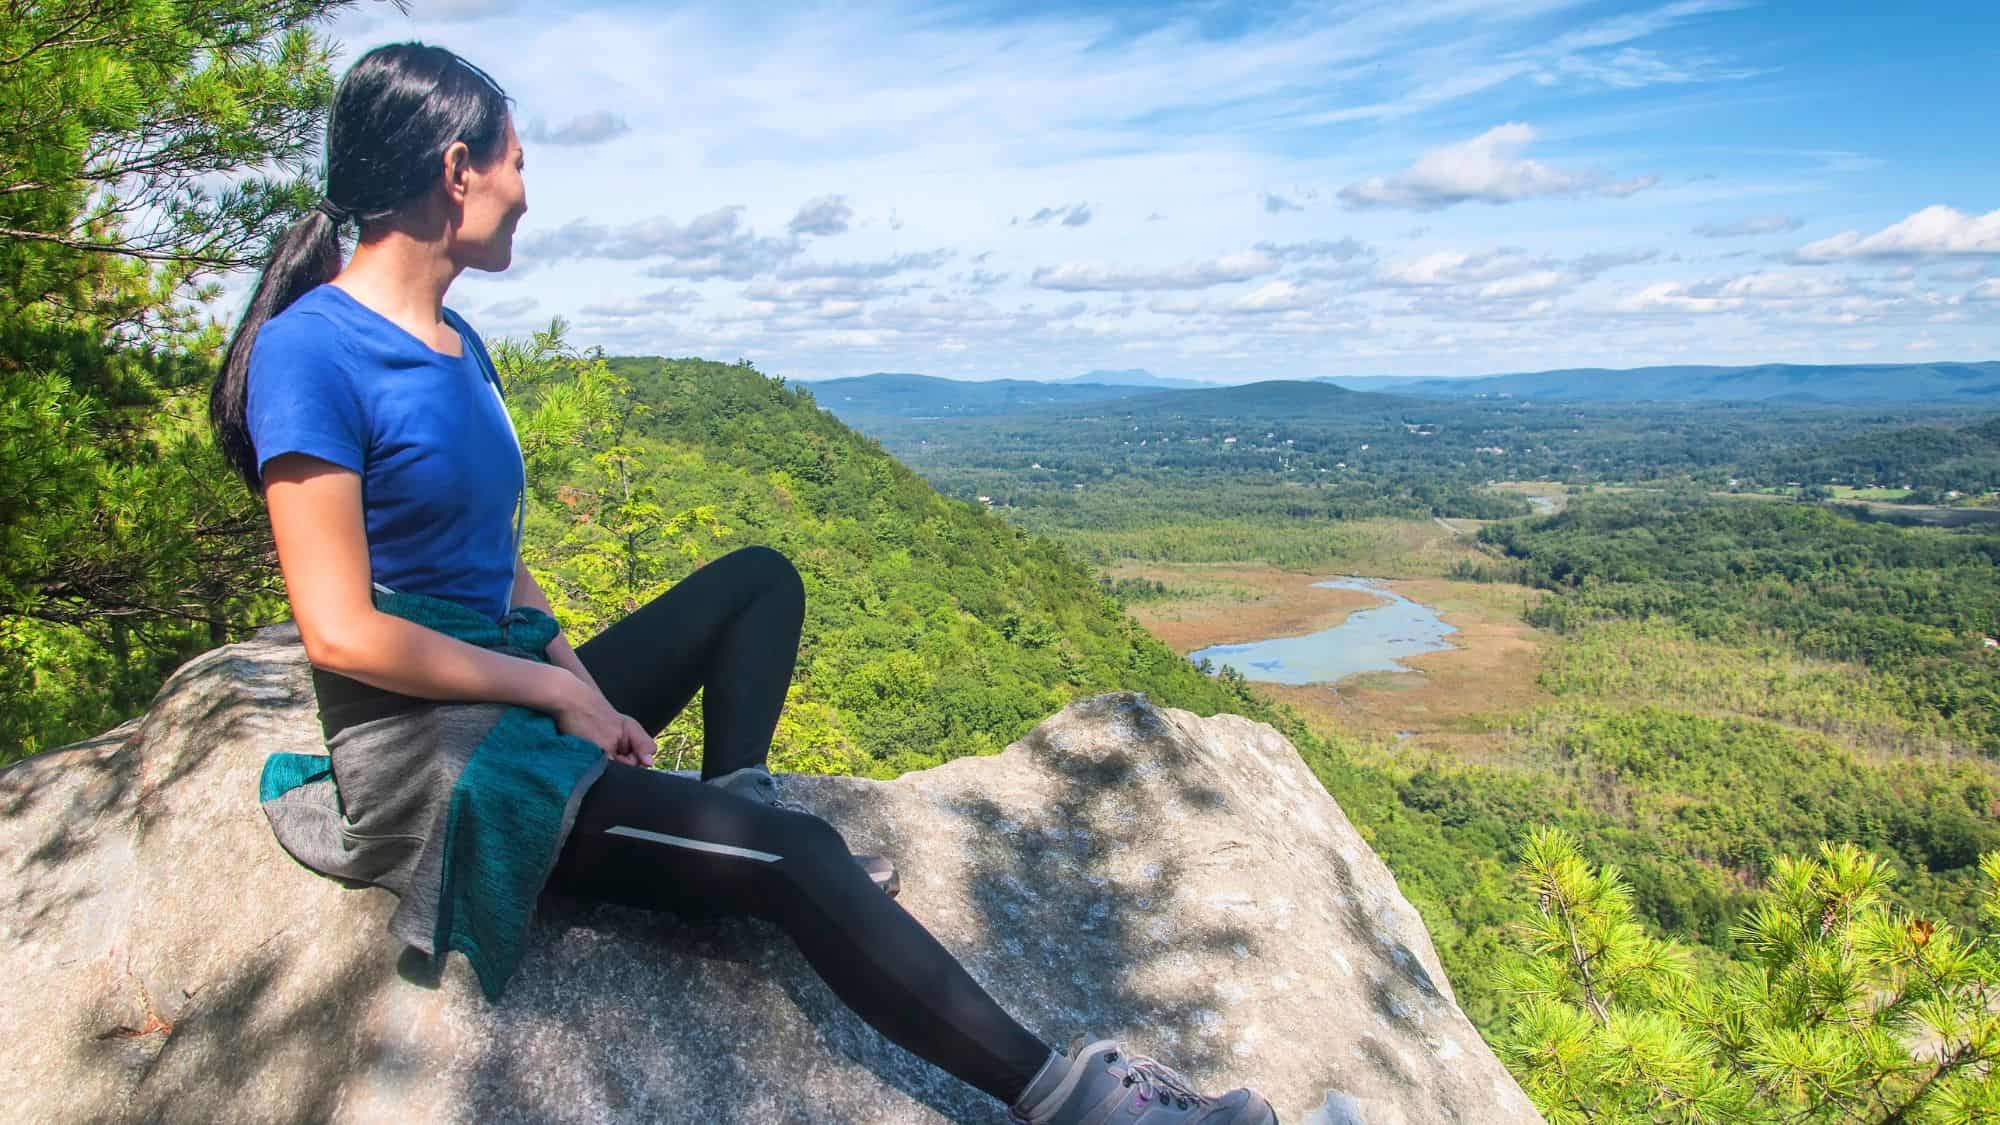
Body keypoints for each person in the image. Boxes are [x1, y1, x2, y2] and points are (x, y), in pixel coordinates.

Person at [207, 41, 1278, 1125]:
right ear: (457, 169)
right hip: (432, 755)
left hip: (509, 687)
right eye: (518, 162)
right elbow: (340, 632)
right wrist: (561, 699)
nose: (527, 193)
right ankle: (1072, 1100)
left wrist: (582, 682)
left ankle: (723, 820)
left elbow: (500, 561)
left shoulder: (457, 341)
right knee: (804, 857)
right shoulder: (314, 351)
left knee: (759, 582)